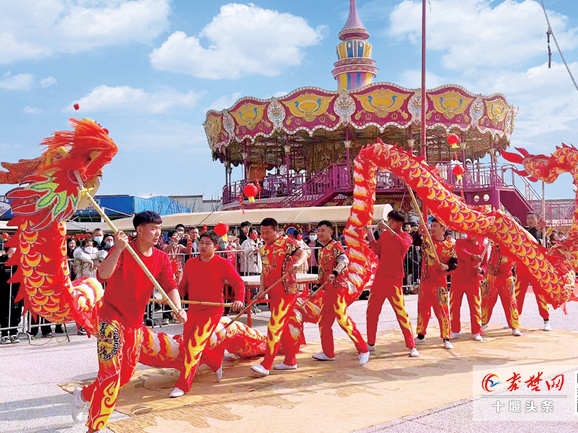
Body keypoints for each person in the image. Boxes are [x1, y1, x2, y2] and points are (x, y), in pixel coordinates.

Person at [71, 211, 186, 432]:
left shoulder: (161, 258)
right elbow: (103, 275)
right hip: (110, 320)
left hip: (135, 325)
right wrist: (120, 249)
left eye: (159, 228)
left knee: (123, 377)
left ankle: (84, 395)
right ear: (140, 230)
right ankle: (94, 428)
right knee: (110, 375)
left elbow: (170, 285)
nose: (158, 233)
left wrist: (177, 308)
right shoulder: (123, 249)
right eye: (153, 228)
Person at [170, 232, 245, 397]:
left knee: (195, 345)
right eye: (201, 243)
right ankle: (215, 361)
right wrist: (172, 294)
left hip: (213, 310)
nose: (203, 246)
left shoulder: (222, 263)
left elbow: (238, 282)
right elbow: (183, 287)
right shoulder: (190, 264)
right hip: (194, 309)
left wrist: (239, 299)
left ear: (216, 247)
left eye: (207, 243)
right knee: (188, 344)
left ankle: (183, 385)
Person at [250, 218, 308, 377]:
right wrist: (261, 290)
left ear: (277, 231)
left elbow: (303, 253)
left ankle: (266, 364)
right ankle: (290, 361)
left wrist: (298, 263)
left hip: (286, 292)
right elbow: (264, 271)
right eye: (262, 233)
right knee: (282, 329)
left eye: (268, 232)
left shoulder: (286, 243)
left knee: (274, 326)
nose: (264, 235)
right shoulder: (264, 248)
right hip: (273, 292)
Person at [314, 220, 369, 364]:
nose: (319, 233)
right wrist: (316, 286)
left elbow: (343, 261)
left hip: (338, 288)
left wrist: (335, 272)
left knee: (343, 319)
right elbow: (321, 271)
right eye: (318, 230)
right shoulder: (321, 250)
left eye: (323, 230)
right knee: (324, 322)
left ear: (331, 232)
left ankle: (363, 349)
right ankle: (328, 352)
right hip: (327, 289)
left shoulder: (335, 246)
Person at [365, 211, 418, 357]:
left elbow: (403, 246)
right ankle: (370, 342)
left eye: (391, 221)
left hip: (395, 280)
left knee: (400, 312)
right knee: (372, 312)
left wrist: (388, 230)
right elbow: (377, 250)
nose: (389, 223)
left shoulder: (406, 236)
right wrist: (370, 234)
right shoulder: (385, 235)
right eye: (388, 221)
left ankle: (411, 345)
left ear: (399, 223)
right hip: (380, 278)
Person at [416, 219, 457, 349]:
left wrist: (446, 267)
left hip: (440, 282)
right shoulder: (427, 240)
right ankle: (421, 334)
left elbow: (454, 263)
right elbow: (415, 241)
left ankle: (446, 337)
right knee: (423, 309)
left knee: (442, 310)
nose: (432, 228)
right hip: (426, 281)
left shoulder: (450, 245)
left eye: (435, 226)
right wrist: (418, 232)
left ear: (442, 229)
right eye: (432, 226)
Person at [515, 212, 551, 331]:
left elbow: (543, 247)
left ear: (537, 220)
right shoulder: (523, 231)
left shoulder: (543, 233)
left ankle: (546, 320)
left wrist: (540, 231)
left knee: (540, 294)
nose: (529, 220)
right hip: (523, 267)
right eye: (528, 218)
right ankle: (514, 318)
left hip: (536, 268)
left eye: (532, 218)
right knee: (518, 294)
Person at [450, 234, 487, 342]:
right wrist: (473, 257)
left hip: (473, 281)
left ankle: (476, 331)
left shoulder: (483, 248)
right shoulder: (460, 242)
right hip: (458, 279)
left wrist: (481, 270)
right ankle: (454, 329)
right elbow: (461, 253)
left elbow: (485, 264)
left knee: (475, 306)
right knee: (454, 305)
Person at [481, 243, 521, 336]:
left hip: (506, 279)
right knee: (487, 302)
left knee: (510, 303)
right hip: (492, 278)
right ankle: (482, 322)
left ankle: (514, 326)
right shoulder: (491, 245)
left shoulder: (512, 248)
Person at [0, 247, 22, 344]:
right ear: (6, 252)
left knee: (16, 311)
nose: (14, 254)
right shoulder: (1, 262)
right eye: (12, 252)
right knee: (4, 312)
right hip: (4, 291)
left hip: (16, 291)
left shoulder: (20, 262)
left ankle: (14, 332)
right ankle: (4, 334)